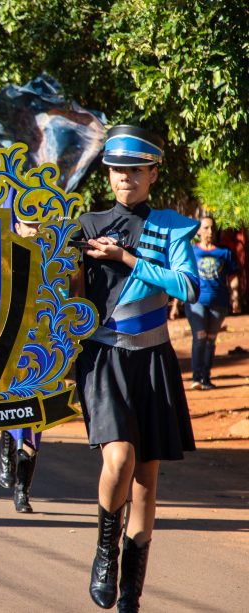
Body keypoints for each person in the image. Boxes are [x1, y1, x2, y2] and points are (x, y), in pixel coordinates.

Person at [73, 125, 199, 612]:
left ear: (152, 173)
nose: (124, 178)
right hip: (103, 356)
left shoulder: (173, 226)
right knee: (120, 459)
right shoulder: (86, 225)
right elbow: (59, 281)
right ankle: (105, 551)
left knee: (146, 482)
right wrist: (33, 239)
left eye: (134, 170)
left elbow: (188, 287)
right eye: (116, 170)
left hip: (153, 357)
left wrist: (125, 257)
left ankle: (131, 593)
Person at [0, 217, 44, 513]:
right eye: (30, 224)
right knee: (11, 406)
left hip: (42, 349)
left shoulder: (55, 260)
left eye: (40, 224)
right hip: (11, 348)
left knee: (35, 420)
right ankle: (6, 447)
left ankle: (22, 491)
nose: (36, 230)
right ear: (17, 227)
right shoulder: (4, 260)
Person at [184, 216, 240, 390]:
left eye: (212, 228)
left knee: (210, 339)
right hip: (196, 301)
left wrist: (235, 296)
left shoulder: (224, 253)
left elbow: (233, 276)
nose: (209, 232)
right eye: (206, 228)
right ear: (199, 231)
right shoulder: (192, 252)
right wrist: (177, 303)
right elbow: (183, 276)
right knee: (200, 335)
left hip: (219, 302)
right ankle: (196, 377)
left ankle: (206, 378)